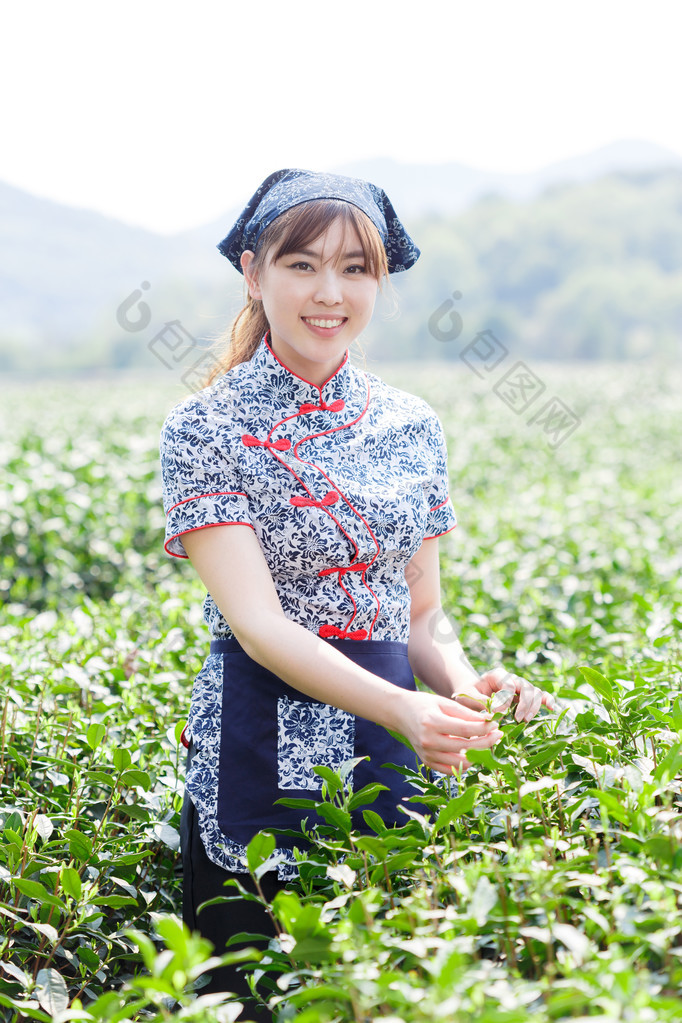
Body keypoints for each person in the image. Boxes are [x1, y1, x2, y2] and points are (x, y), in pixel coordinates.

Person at [159, 168, 555, 1016]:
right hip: (254, 749)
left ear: (380, 281)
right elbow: (260, 625)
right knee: (255, 997)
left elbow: (422, 615)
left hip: (388, 762)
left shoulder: (413, 424)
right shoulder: (206, 427)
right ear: (252, 272)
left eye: (355, 268)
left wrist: (462, 686)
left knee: (382, 990)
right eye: (301, 265)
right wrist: (402, 708)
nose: (328, 292)